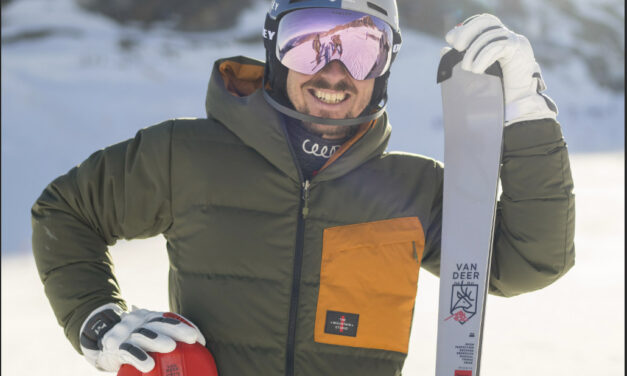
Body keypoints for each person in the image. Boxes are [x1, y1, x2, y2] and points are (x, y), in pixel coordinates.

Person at [31, 1, 575, 375]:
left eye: (362, 48)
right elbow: (65, 212)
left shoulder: (414, 190)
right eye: (308, 44)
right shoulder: (186, 156)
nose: (334, 71)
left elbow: (528, 260)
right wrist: (95, 319)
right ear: (273, 52)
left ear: (384, 68)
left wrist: (526, 120)